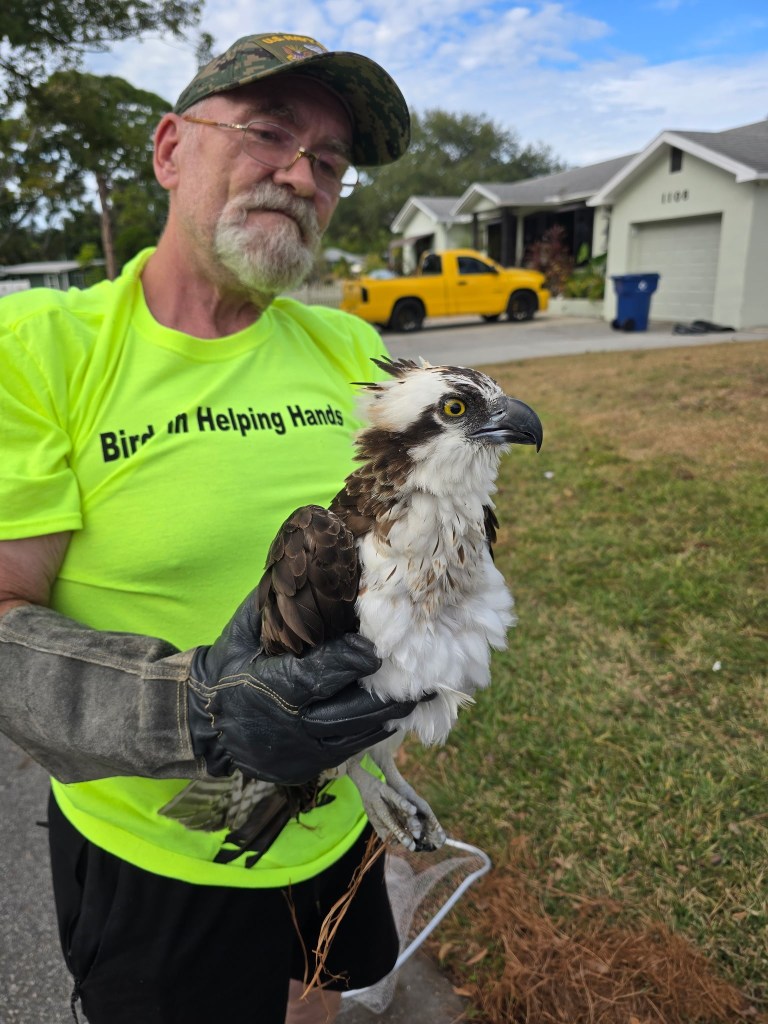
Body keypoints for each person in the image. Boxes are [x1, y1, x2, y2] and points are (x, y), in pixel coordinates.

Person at [0, 32, 418, 1024]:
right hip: (156, 853)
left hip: (330, 823)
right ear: (170, 149)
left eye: (328, 160)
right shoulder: (44, 348)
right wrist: (202, 709)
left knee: (318, 994)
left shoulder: (347, 343)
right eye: (268, 131)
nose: (300, 173)